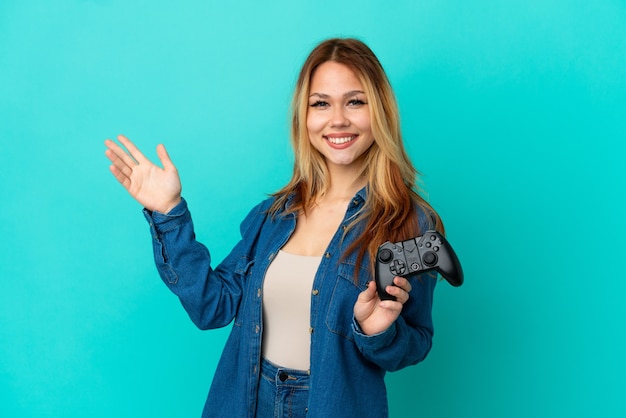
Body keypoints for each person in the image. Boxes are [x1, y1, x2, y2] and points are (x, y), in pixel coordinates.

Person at [104, 37, 445, 418]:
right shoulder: (274, 215)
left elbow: (416, 342)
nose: (338, 119)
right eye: (321, 104)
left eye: (355, 101)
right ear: (304, 116)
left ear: (379, 110)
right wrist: (169, 213)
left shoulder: (410, 223)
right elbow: (212, 307)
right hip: (246, 402)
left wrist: (378, 331)